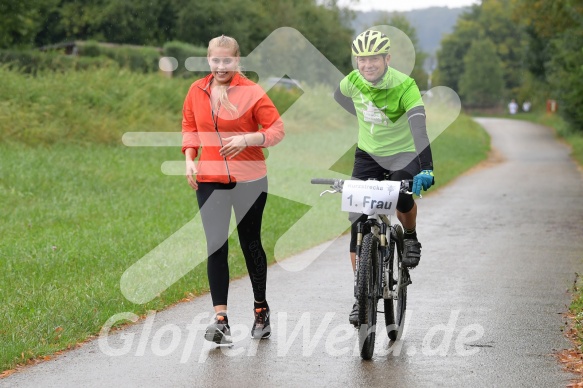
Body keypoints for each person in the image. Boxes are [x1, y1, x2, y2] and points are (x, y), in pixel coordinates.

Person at [181, 35, 285, 344]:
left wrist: (247, 139)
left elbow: (276, 130)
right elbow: (189, 125)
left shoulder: (252, 92)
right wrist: (189, 158)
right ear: (208, 60)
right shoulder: (196, 90)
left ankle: (260, 310)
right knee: (216, 245)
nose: (221, 66)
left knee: (249, 241)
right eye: (216, 60)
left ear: (237, 61)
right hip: (209, 178)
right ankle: (221, 319)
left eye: (228, 60)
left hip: (250, 179)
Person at [333, 30, 434, 325]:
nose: (367, 64)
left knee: (402, 195)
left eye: (374, 58)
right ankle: (360, 296)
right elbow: (339, 96)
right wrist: (364, 114)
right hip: (367, 155)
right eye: (361, 59)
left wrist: (426, 168)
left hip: (403, 154)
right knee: (358, 223)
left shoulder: (405, 85)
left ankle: (411, 237)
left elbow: (419, 129)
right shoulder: (352, 81)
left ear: (387, 58)